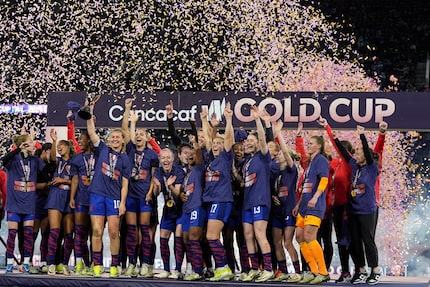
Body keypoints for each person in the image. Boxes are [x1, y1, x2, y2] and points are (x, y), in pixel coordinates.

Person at [86, 98, 132, 277]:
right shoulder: (102, 149)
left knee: (114, 232)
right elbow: (91, 130)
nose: (114, 139)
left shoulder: (125, 159)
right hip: (97, 195)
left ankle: (114, 265)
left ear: (122, 140)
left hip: (113, 197)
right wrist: (90, 109)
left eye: (118, 137)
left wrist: (122, 203)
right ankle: (96, 264)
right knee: (97, 231)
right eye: (112, 137)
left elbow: (125, 183)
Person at [334, 125, 382, 285]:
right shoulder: (355, 166)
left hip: (367, 210)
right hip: (353, 209)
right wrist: (334, 138)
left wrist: (362, 136)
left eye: (359, 152)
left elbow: (369, 155)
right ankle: (361, 269)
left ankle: (375, 270)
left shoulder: (372, 167)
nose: (356, 154)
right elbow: (344, 153)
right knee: (354, 241)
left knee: (368, 240)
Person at [121, 98, 159, 277]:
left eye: (142, 135)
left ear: (146, 138)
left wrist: (151, 192)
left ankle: (145, 263)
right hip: (130, 196)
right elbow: (125, 131)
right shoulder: (130, 149)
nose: (138, 136)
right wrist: (131, 118)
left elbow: (153, 176)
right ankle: (132, 263)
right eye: (137, 134)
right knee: (131, 231)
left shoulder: (151, 154)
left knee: (144, 230)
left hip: (144, 196)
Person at [200, 103, 235, 281]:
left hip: (221, 200)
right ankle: (222, 268)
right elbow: (207, 138)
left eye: (218, 144)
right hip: (211, 201)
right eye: (214, 144)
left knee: (211, 236)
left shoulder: (226, 157)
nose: (215, 145)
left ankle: (224, 268)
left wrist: (228, 120)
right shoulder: (209, 160)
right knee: (211, 237)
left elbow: (228, 138)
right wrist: (204, 120)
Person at [1, 133, 45, 274]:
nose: (34, 144)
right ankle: (9, 263)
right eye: (31, 142)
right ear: (24, 145)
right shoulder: (13, 160)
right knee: (12, 234)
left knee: (28, 235)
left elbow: (46, 171)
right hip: (14, 203)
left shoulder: (35, 160)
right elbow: (3, 160)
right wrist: (18, 149)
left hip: (29, 204)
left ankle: (26, 262)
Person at [318, 117, 354, 282]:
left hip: (347, 206)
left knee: (347, 239)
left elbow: (335, 145)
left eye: (340, 153)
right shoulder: (334, 165)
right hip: (335, 207)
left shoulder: (348, 164)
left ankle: (355, 269)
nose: (336, 154)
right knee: (340, 240)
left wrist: (327, 127)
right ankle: (344, 271)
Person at [240, 106, 274, 282]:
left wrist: (257, 119)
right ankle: (254, 268)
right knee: (248, 236)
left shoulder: (263, 156)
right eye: (246, 141)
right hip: (247, 203)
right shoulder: (247, 161)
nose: (247, 142)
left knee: (260, 235)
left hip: (260, 201)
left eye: (250, 140)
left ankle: (267, 269)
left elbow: (263, 138)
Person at [292, 132, 330, 284]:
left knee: (309, 237)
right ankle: (313, 271)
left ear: (319, 146)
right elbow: (306, 186)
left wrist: (315, 197)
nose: (308, 145)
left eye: (311, 143)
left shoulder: (321, 160)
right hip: (304, 206)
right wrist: (299, 204)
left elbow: (324, 180)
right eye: (307, 143)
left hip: (315, 205)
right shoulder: (309, 163)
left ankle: (324, 272)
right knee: (300, 238)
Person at [271, 120, 301, 282]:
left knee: (288, 242)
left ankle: (297, 272)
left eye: (280, 153)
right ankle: (282, 271)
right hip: (277, 212)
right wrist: (273, 196)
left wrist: (278, 134)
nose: (277, 155)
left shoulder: (291, 170)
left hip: (289, 210)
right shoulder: (276, 173)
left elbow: (284, 150)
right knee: (277, 242)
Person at [149, 148, 185, 279]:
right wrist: (157, 186)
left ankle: (178, 269)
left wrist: (169, 186)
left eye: (168, 157)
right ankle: (165, 269)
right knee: (163, 238)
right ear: (160, 160)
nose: (166, 160)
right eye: (163, 158)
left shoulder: (178, 172)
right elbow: (156, 193)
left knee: (178, 238)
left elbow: (178, 195)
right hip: (168, 210)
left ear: (173, 159)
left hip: (181, 210)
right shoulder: (158, 172)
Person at [45, 129, 75, 275]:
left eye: (61, 146)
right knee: (55, 231)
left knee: (69, 234)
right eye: (58, 147)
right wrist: (54, 141)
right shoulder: (58, 162)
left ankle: (64, 264)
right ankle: (51, 263)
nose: (59, 148)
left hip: (69, 197)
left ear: (68, 147)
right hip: (55, 196)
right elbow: (52, 158)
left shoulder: (75, 162)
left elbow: (76, 182)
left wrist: (63, 180)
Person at [69, 130, 95, 275]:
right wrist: (72, 197)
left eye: (82, 139)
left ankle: (93, 263)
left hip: (96, 199)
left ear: (89, 140)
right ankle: (80, 263)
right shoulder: (77, 159)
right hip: (81, 199)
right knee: (80, 233)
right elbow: (75, 179)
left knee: (95, 234)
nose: (79, 141)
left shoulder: (99, 155)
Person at [181, 135, 205, 281]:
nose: (190, 156)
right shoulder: (186, 174)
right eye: (187, 154)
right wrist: (181, 196)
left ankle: (198, 270)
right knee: (186, 239)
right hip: (186, 209)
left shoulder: (199, 168)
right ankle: (191, 266)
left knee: (194, 238)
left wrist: (196, 144)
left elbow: (199, 155)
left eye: (193, 154)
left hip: (197, 207)